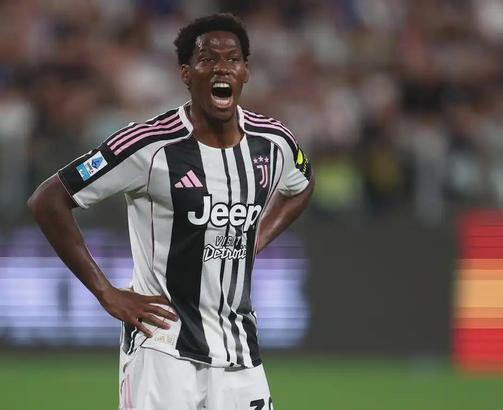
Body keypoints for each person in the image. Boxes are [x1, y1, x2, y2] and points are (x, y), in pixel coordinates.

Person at [28, 13, 314, 410]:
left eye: (232, 59)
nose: (222, 68)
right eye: (208, 59)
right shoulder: (148, 145)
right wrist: (105, 292)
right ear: (186, 73)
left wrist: (257, 237)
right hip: (163, 347)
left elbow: (302, 182)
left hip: (239, 349)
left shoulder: (273, 142)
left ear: (245, 71)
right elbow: (48, 200)